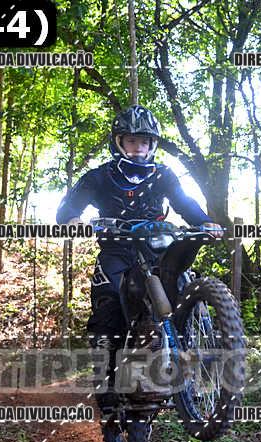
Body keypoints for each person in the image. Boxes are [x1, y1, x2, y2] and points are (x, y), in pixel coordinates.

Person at [56, 105, 223, 414]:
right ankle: (106, 382)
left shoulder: (163, 174)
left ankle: (190, 359)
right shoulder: (100, 176)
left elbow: (183, 202)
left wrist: (204, 222)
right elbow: (68, 207)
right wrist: (72, 219)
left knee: (184, 281)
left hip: (156, 248)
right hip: (117, 250)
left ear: (152, 144)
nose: (138, 148)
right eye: (131, 141)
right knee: (108, 304)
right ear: (119, 142)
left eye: (144, 142)